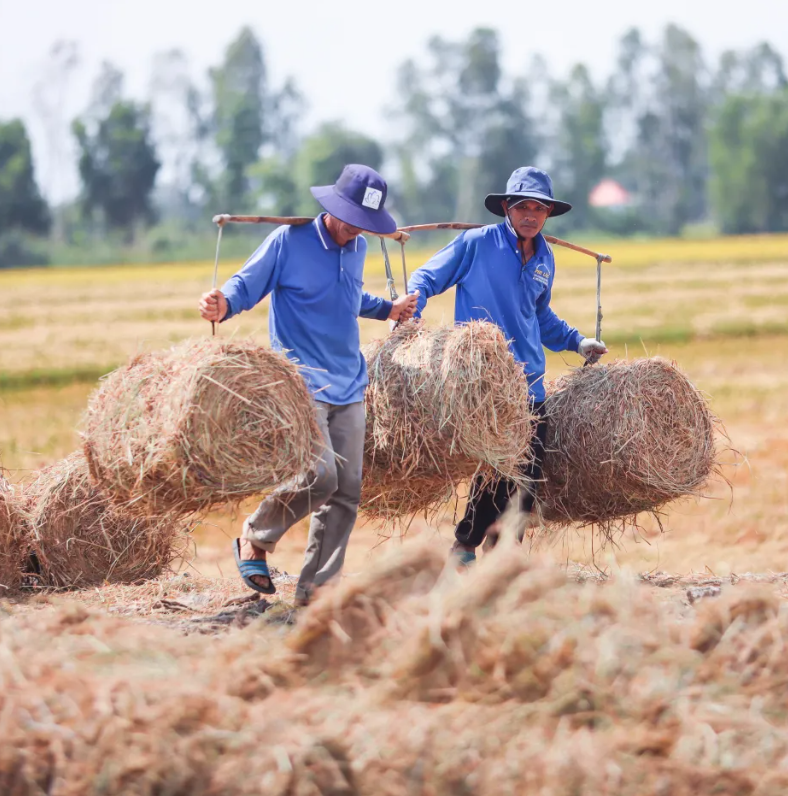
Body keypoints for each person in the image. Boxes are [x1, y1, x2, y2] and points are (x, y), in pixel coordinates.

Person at [199, 164, 418, 603]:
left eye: (366, 224)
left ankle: (316, 594)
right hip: (302, 381)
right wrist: (223, 303)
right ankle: (256, 536)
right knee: (320, 476)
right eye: (353, 219)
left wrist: (388, 309)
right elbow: (247, 283)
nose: (358, 230)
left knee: (347, 490)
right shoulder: (289, 241)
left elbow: (347, 294)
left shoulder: (356, 249)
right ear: (334, 207)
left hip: (350, 380)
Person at [407, 166, 607, 563]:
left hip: (530, 381)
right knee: (495, 467)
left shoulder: (545, 257)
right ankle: (466, 546)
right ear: (505, 208)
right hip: (484, 381)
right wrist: (411, 307)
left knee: (527, 479)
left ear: (548, 214)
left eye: (539, 208)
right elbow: (428, 276)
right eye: (523, 207)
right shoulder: (476, 244)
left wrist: (577, 341)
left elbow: (540, 316)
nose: (531, 215)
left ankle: (498, 559)